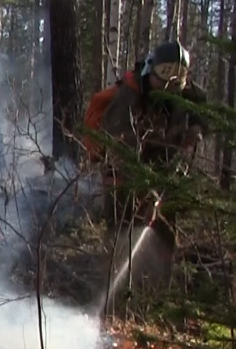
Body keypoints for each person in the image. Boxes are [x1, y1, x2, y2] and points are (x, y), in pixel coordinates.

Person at [81, 41, 208, 312]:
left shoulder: (182, 92)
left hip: (163, 175)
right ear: (150, 72)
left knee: (164, 238)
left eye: (175, 88)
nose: (169, 92)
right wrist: (144, 192)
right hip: (124, 178)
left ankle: (154, 304)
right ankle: (110, 309)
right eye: (163, 85)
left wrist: (196, 128)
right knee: (121, 238)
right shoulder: (126, 99)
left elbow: (203, 104)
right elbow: (120, 152)